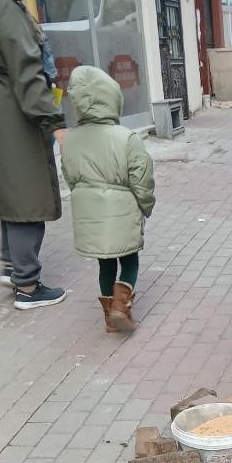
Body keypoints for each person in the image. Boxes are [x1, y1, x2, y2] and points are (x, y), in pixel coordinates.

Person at [0, 0, 66, 309]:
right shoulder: (5, 10)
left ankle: (11, 267)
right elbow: (27, 71)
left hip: (4, 112)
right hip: (15, 116)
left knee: (10, 193)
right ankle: (28, 286)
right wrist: (55, 122)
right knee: (26, 197)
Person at [61, 66, 155, 334]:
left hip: (90, 213)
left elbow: (70, 178)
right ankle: (120, 306)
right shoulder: (126, 138)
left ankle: (108, 316)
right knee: (129, 258)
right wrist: (145, 206)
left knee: (105, 262)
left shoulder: (70, 140)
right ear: (112, 98)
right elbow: (142, 179)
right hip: (122, 210)